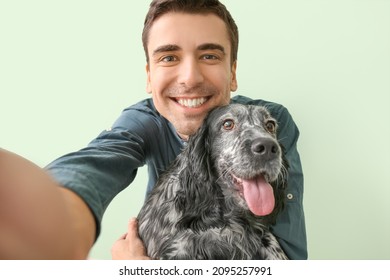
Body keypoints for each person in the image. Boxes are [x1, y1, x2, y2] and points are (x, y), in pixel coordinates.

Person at [0, 0, 307, 260]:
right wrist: (57, 224)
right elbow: (94, 164)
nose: (190, 77)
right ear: (149, 76)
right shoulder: (145, 120)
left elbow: (291, 254)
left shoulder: (273, 120)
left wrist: (141, 268)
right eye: (169, 57)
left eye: (210, 55)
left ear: (233, 72)